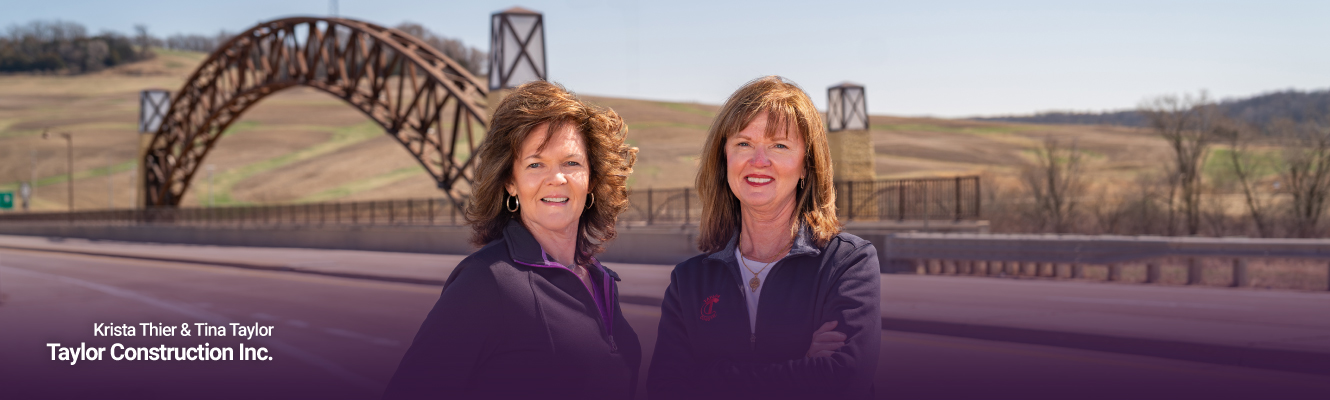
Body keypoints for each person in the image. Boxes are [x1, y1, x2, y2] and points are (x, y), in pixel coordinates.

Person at [384, 81, 642, 400]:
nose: (556, 178)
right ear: (510, 182)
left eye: (571, 163)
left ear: (591, 178)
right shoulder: (486, 282)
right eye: (536, 164)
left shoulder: (601, 281)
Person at [647, 76, 881, 399]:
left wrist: (709, 377)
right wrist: (801, 366)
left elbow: (843, 380)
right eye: (743, 144)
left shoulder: (846, 264)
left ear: (806, 166)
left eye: (779, 145)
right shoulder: (689, 282)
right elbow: (664, 389)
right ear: (724, 158)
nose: (759, 161)